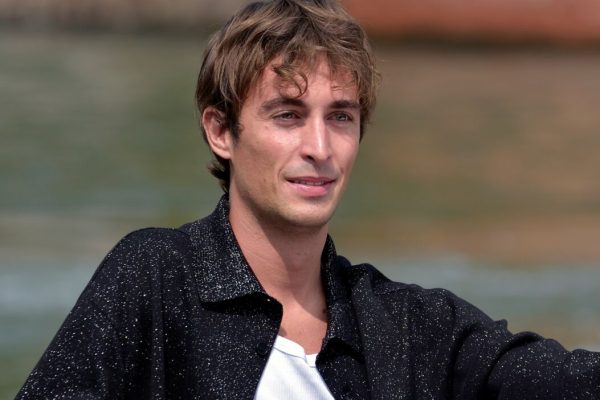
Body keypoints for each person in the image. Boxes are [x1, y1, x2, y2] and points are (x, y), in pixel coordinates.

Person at [16, 0, 600, 399]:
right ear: (221, 131)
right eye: (288, 115)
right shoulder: (155, 277)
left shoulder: (407, 326)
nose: (319, 147)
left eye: (340, 117)